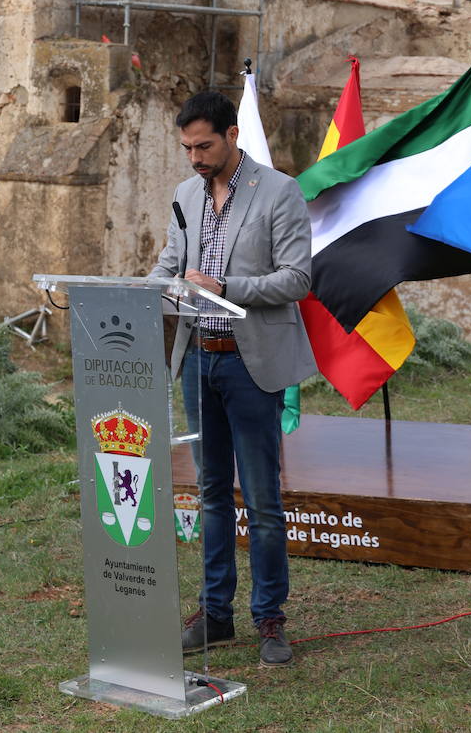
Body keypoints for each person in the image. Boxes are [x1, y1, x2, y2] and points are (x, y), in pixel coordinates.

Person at [149, 89, 315, 667]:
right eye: (187, 148)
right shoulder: (184, 195)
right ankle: (215, 615)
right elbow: (171, 265)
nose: (194, 157)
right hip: (198, 360)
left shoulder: (280, 191)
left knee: (263, 499)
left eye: (204, 145)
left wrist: (227, 288)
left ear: (232, 134)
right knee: (212, 493)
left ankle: (270, 619)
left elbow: (297, 279)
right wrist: (142, 292)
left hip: (253, 362)